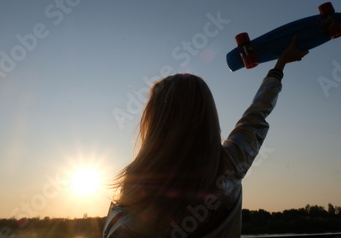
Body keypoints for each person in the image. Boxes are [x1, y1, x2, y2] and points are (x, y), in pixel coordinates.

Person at [103, 37, 308, 237]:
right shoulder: (231, 163)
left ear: (155, 121)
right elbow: (257, 112)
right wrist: (279, 65)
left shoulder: (136, 186)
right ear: (208, 116)